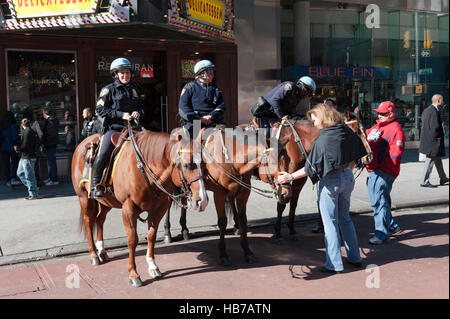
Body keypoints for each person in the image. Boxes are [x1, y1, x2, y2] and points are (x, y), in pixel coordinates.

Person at [277, 103, 367, 274]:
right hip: (348, 177)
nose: (314, 123)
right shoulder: (346, 130)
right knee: (345, 219)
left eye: (315, 119)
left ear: (324, 117)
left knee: (330, 223)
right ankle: (355, 257)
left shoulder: (323, 138)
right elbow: (358, 153)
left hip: (331, 180)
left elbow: (310, 168)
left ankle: (334, 264)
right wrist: (347, 170)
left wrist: (289, 177)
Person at [92, 57, 144, 198]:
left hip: (133, 129)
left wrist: (137, 112)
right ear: (115, 74)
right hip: (114, 129)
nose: (125, 75)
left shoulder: (134, 91)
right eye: (122, 73)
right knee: (103, 152)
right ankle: (95, 184)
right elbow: (100, 109)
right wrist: (121, 115)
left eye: (127, 73)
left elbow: (141, 107)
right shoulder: (108, 90)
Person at [365, 101, 406, 245]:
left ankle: (382, 235)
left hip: (382, 172)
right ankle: (392, 226)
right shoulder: (378, 126)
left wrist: (381, 171)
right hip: (374, 170)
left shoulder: (396, 130)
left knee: (379, 202)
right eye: (378, 113)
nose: (378, 115)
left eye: (382, 114)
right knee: (380, 201)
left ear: (390, 114)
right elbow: (365, 135)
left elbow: (395, 156)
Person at [178, 59, 226, 138]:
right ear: (202, 73)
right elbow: (183, 108)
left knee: (228, 138)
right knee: (194, 146)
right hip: (194, 123)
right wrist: (199, 119)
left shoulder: (215, 89)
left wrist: (211, 116)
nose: (213, 75)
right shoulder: (189, 88)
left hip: (213, 122)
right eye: (210, 73)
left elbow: (221, 106)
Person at [419, 94, 449, 187]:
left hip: (428, 140)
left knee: (437, 159)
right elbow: (434, 128)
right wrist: (439, 139)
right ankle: (424, 181)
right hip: (433, 142)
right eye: (442, 100)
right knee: (430, 161)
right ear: (439, 101)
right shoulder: (434, 112)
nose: (443, 102)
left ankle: (443, 178)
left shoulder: (427, 110)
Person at [14, 118, 42, 200]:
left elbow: (25, 146)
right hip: (25, 157)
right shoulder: (27, 132)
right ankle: (33, 188)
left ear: (22, 125)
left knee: (29, 176)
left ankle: (33, 193)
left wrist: (18, 149)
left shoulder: (28, 132)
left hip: (28, 157)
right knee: (20, 173)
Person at [22, 108, 43, 187]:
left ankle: (30, 184)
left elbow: (22, 136)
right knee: (35, 166)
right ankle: (37, 182)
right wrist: (40, 142)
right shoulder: (35, 123)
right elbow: (40, 134)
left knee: (27, 168)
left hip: (26, 148)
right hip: (35, 147)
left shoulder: (23, 124)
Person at [0, 111, 20, 187]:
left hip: (2, 147)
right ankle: (13, 178)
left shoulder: (1, 125)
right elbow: (14, 137)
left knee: (6, 164)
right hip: (12, 147)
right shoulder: (12, 124)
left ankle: (8, 180)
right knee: (15, 162)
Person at [41, 107, 59, 186]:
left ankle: (54, 179)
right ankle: (51, 177)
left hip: (50, 144)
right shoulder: (52, 121)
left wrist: (45, 141)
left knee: (52, 162)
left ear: (45, 114)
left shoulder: (50, 122)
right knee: (51, 162)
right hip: (51, 144)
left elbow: (51, 134)